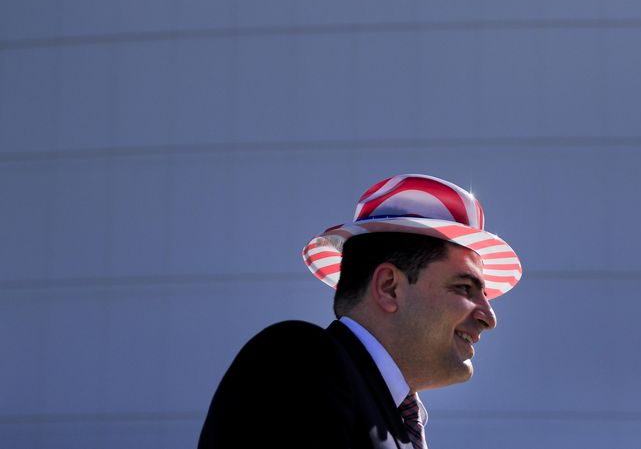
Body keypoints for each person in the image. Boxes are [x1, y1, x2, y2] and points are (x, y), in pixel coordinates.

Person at [198, 174, 522, 448]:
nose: (489, 317)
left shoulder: (390, 414)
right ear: (389, 287)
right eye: (464, 287)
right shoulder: (298, 361)